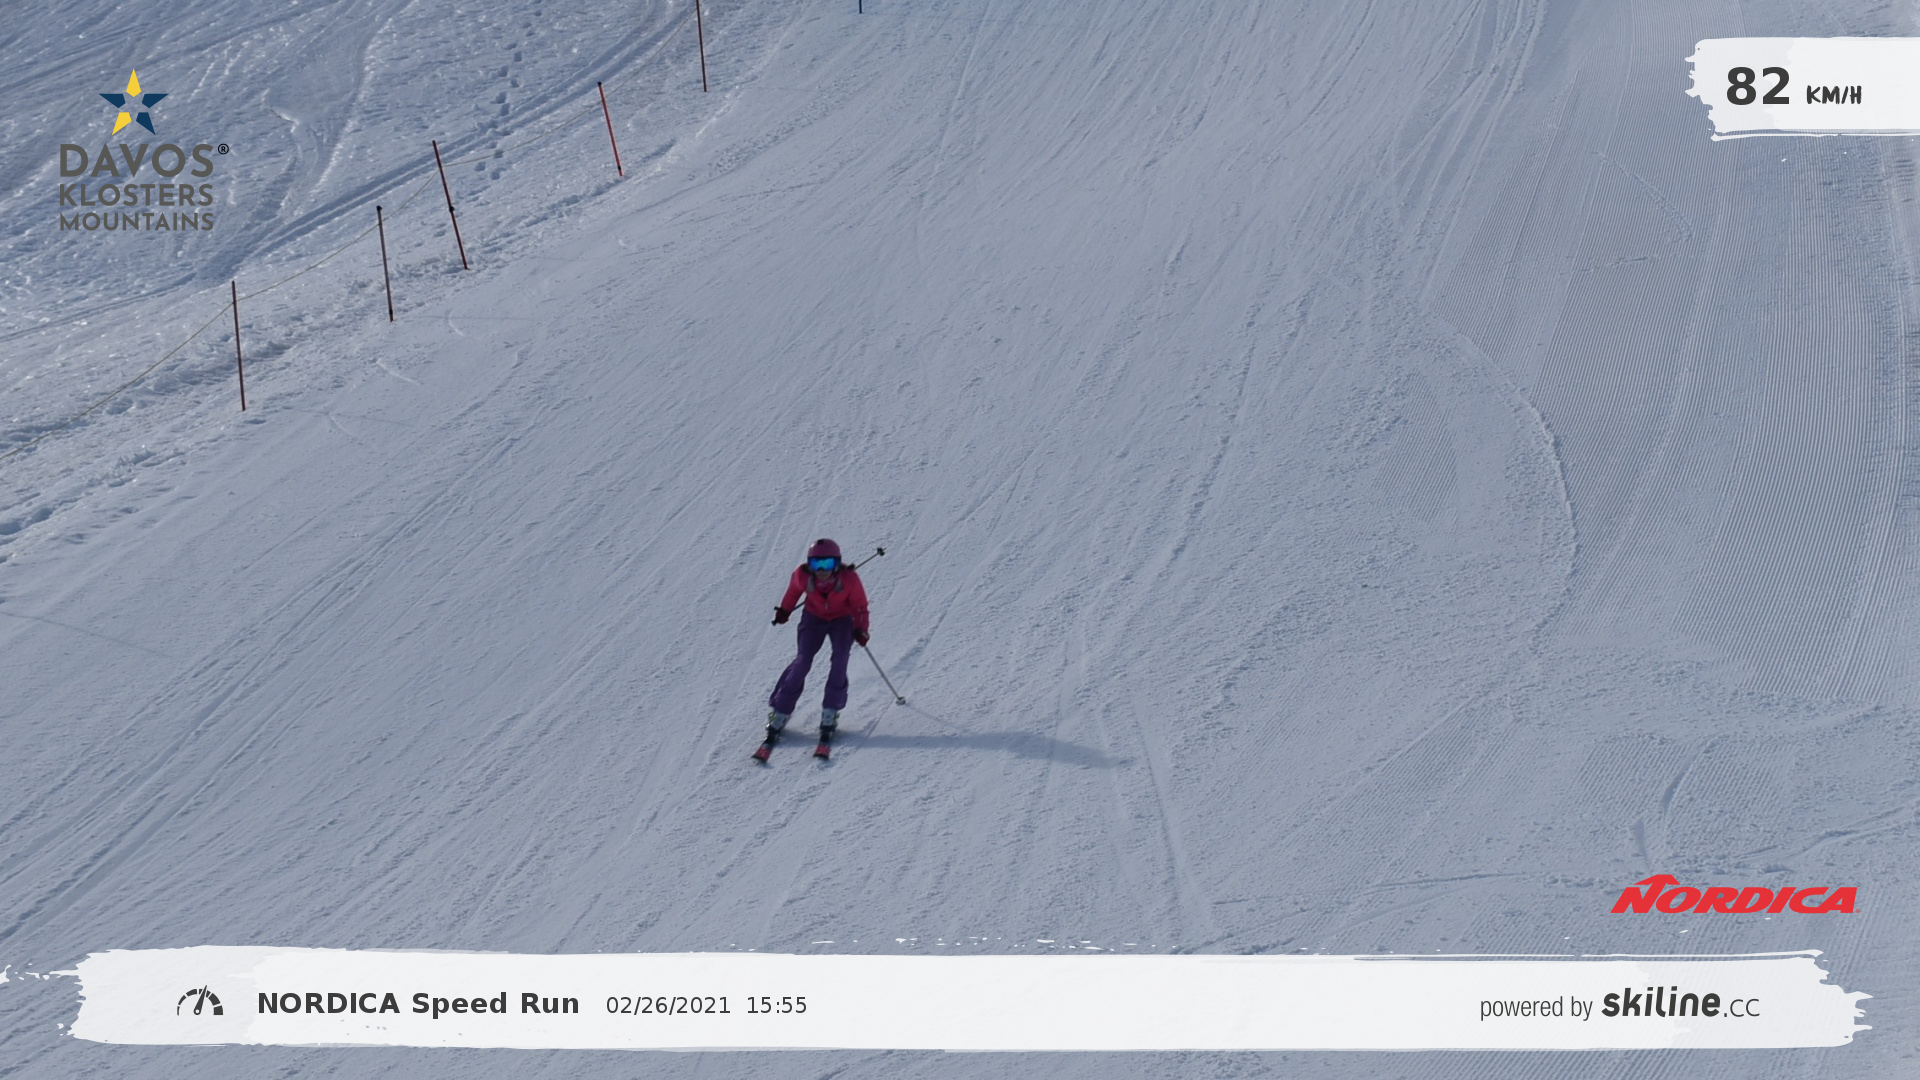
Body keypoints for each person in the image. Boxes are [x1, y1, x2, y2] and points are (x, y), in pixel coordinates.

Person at [766, 539, 870, 741]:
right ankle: (781, 710)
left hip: (842, 620)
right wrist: (784, 611)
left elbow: (860, 607)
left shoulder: (849, 579)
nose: (822, 570)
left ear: (837, 563)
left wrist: (861, 629)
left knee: (840, 658)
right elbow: (793, 593)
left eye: (827, 564)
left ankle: (831, 710)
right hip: (813, 618)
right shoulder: (802, 576)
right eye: (816, 564)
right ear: (809, 564)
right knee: (803, 660)